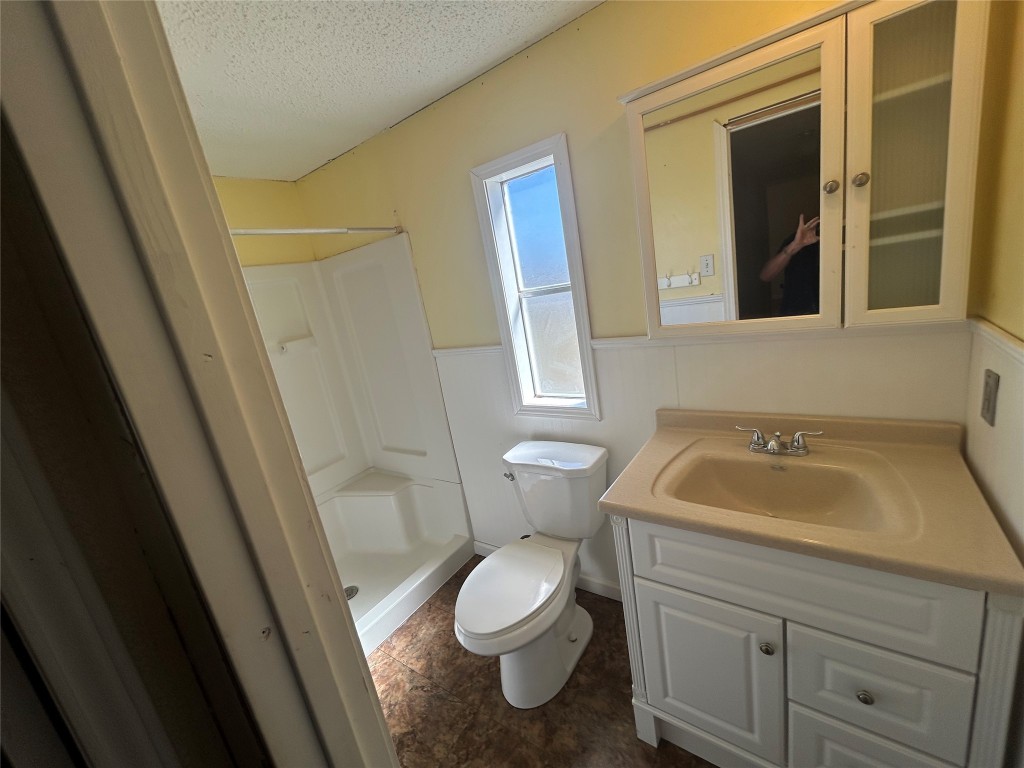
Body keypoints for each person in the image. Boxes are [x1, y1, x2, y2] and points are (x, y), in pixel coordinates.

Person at [759, 214, 820, 316]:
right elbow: (765, 276)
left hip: (832, 313)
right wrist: (796, 245)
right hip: (795, 311)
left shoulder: (841, 242)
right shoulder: (797, 239)